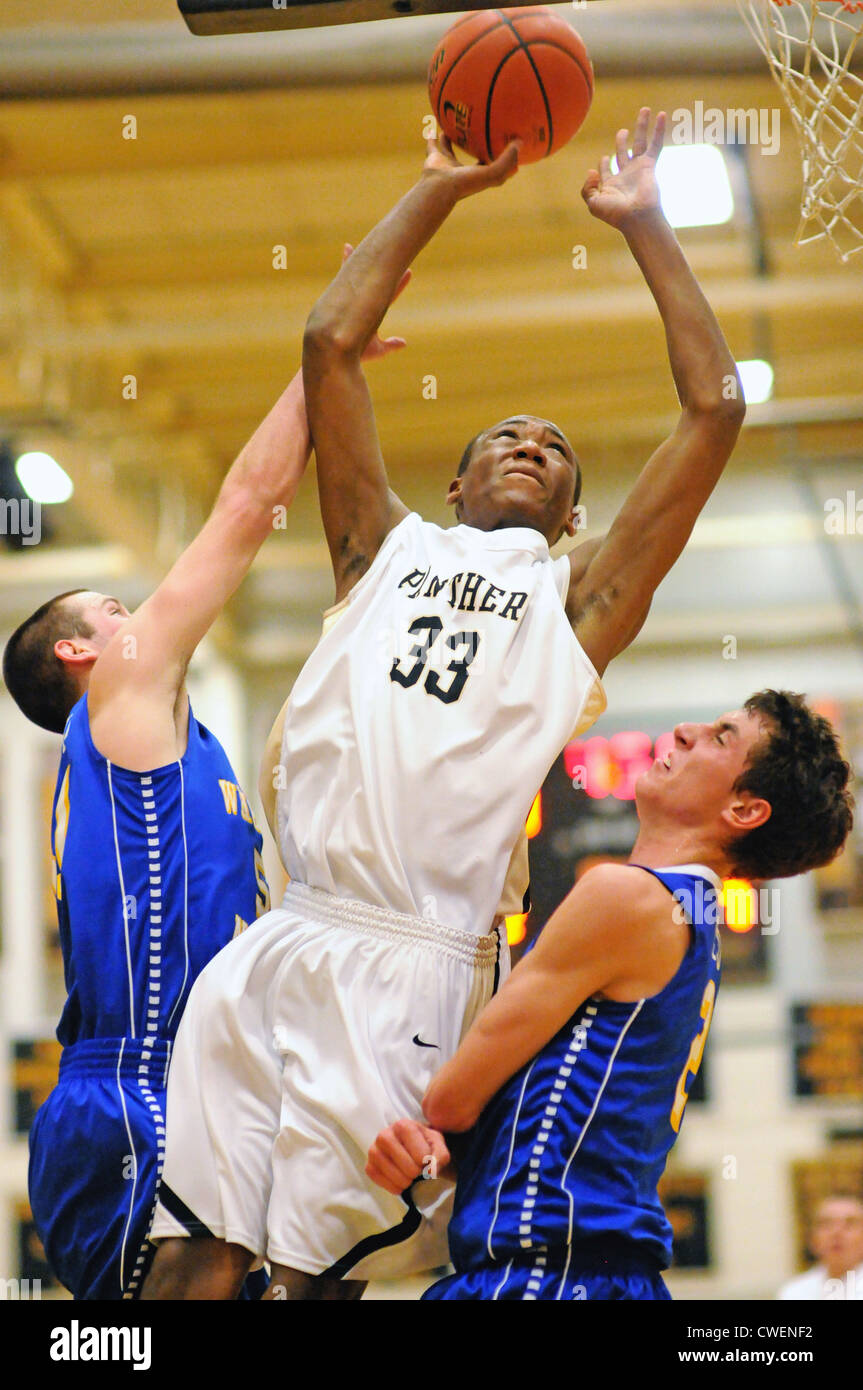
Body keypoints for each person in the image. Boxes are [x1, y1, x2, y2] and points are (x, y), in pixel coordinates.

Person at [143, 107, 748, 1301]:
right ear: (456, 480)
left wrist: (644, 223)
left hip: (413, 965)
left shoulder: (580, 603)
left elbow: (715, 408)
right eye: (501, 437)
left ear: (573, 511)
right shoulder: (376, 547)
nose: (528, 443)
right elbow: (327, 337)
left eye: (554, 446)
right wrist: (435, 188)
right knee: (190, 1266)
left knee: (318, 1277)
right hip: (279, 936)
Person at [2, 363, 322, 1297]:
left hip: (197, 1076)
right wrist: (317, 365)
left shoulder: (183, 745)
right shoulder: (120, 698)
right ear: (79, 653)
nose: (134, 614)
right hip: (140, 1088)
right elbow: (246, 506)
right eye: (112, 611)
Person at [367, 692, 855, 1301]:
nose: (684, 729)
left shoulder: (625, 899)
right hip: (598, 1273)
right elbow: (532, 1118)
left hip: (546, 1274)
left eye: (721, 737)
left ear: (745, 809)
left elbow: (449, 1101)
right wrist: (444, 1153)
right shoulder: (693, 920)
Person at [777, 1193, 863, 1300]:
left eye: (850, 1224)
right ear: (812, 1238)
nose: (836, 1232)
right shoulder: (794, 1292)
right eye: (826, 1224)